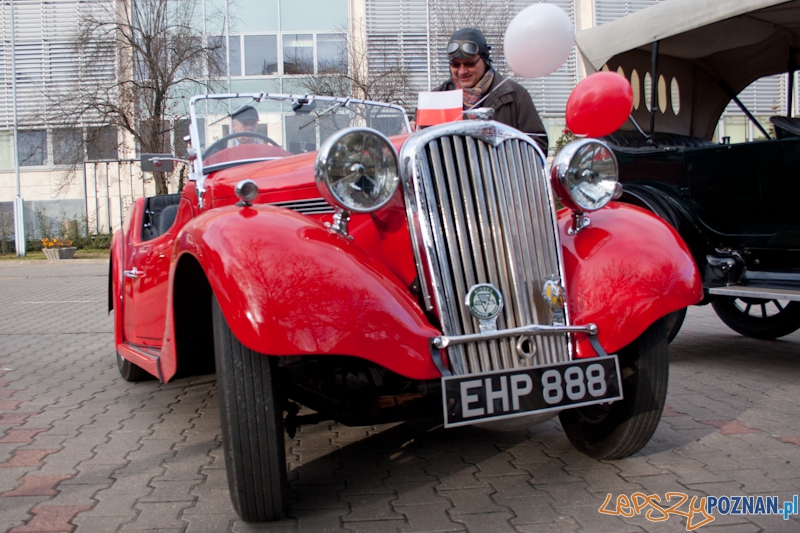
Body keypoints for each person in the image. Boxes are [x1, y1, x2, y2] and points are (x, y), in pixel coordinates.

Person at [432, 28, 548, 154]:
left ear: (485, 60)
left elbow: (538, 145)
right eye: (455, 65)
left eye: (469, 64)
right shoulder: (436, 99)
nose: (462, 71)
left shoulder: (515, 95)